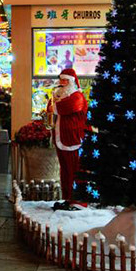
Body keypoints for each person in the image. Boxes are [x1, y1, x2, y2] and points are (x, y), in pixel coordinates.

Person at [53, 68, 88, 200]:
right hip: (60, 138)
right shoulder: (60, 96)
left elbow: (66, 107)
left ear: (72, 81)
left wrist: (55, 103)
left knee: (74, 170)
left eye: (65, 80)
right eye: (61, 80)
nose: (62, 83)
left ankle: (77, 199)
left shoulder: (77, 96)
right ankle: (67, 198)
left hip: (72, 139)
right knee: (65, 171)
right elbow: (52, 108)